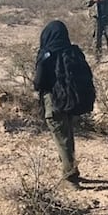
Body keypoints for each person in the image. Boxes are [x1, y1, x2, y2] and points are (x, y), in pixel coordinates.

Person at [33, 20, 90, 189]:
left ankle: (69, 177)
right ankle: (72, 169)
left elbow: (38, 82)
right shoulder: (72, 52)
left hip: (53, 102)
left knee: (62, 139)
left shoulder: (46, 54)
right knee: (67, 137)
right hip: (70, 101)